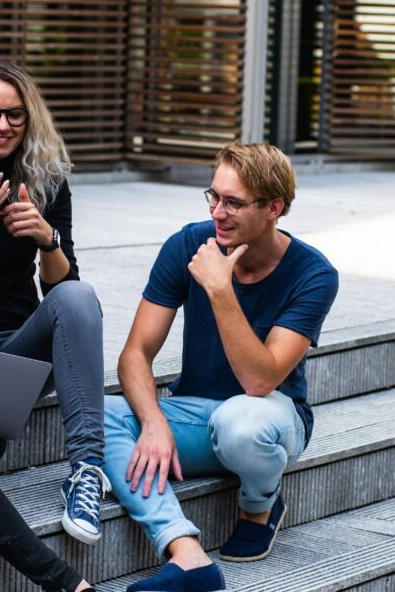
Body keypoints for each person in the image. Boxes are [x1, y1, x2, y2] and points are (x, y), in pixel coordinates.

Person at [104, 141, 339, 592]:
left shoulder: (314, 274)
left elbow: (260, 379)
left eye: (233, 202)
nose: (218, 212)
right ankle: (185, 553)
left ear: (274, 207)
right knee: (99, 415)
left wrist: (220, 290)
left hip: (269, 417)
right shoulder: (188, 243)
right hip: (193, 413)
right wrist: (153, 422)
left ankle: (260, 504)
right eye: (213, 196)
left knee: (241, 422)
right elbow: (135, 354)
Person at [0, 57, 111, 591]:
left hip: (16, 351)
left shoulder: (46, 180)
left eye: (14, 116)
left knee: (79, 297)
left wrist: (45, 239)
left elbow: (62, 290)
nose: (1, 126)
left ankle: (85, 470)